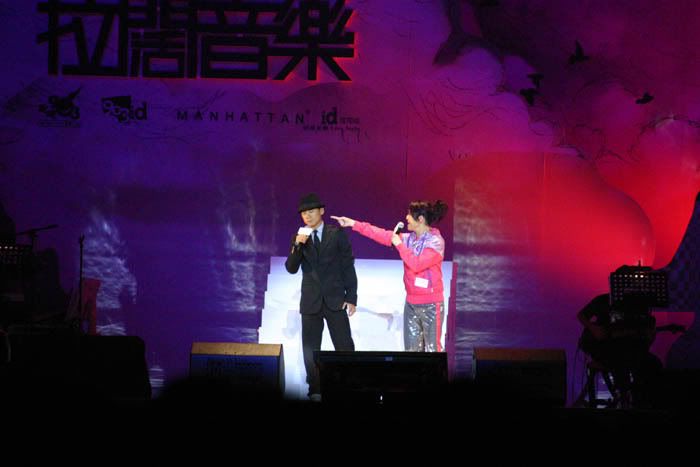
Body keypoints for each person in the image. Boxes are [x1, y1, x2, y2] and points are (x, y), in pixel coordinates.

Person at [332, 200, 448, 352]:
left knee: (434, 351)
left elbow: (417, 264)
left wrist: (398, 244)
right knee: (412, 351)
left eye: (409, 215)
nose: (406, 218)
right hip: (411, 303)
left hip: (431, 304)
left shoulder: (436, 242)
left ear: (420, 219)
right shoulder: (408, 239)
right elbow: (379, 233)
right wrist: (353, 223)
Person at [285, 193, 357, 401]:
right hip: (311, 301)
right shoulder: (300, 236)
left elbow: (348, 266)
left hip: (335, 299)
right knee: (310, 349)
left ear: (321, 211)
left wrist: (351, 296)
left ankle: (349, 385)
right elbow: (291, 268)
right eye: (303, 213)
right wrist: (298, 245)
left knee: (344, 346)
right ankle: (315, 389)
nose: (307, 216)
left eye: (311, 211)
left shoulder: (337, 234)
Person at [577, 292, 663, 407]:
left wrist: (647, 335)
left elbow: (643, 334)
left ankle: (641, 399)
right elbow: (581, 315)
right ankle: (625, 397)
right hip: (606, 349)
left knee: (653, 363)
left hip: (629, 349)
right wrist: (594, 329)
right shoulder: (603, 300)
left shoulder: (638, 305)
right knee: (620, 359)